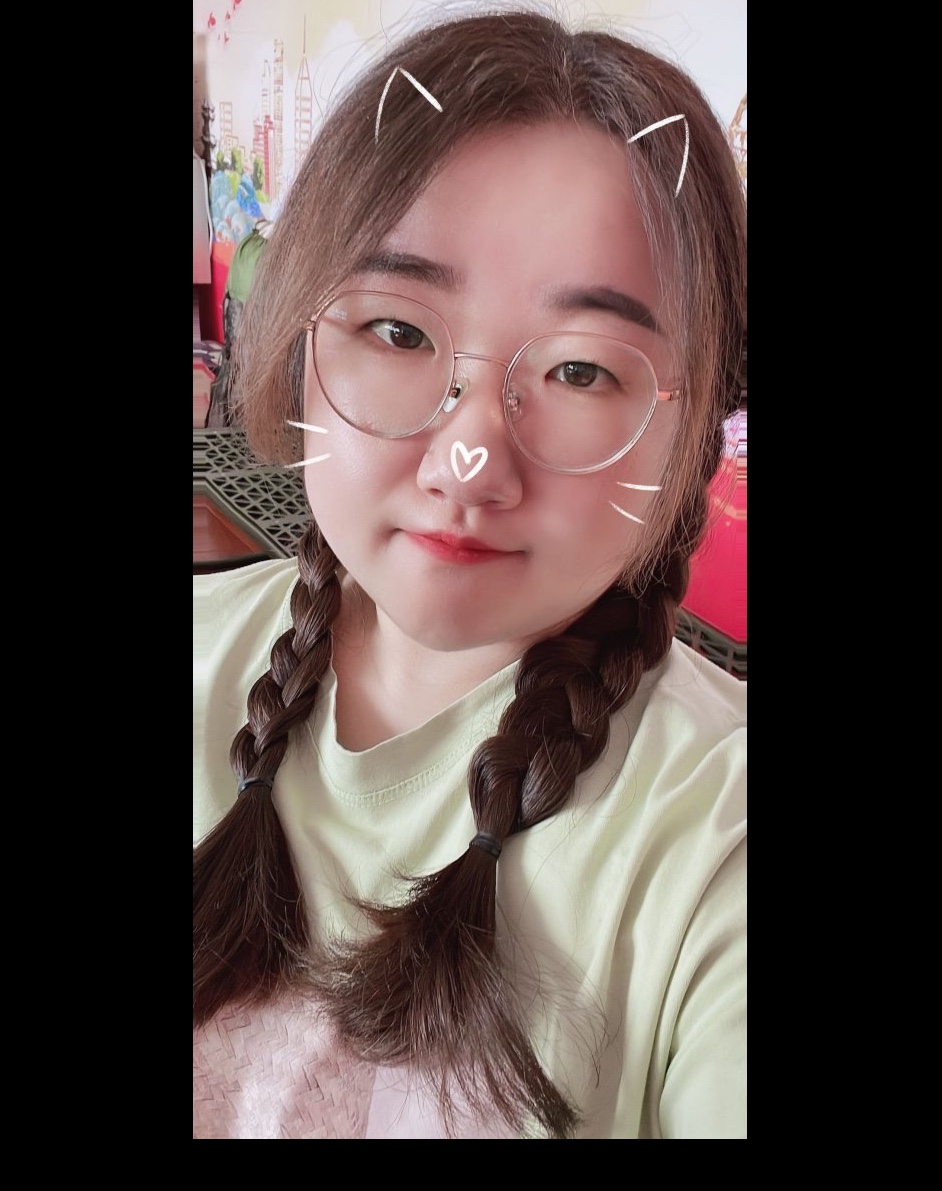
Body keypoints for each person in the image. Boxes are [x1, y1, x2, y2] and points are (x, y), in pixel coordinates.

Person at [193, 5, 747, 1140]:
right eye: (399, 333)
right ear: (302, 338)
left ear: (691, 433)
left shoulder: (712, 838)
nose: (468, 461)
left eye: (582, 370)